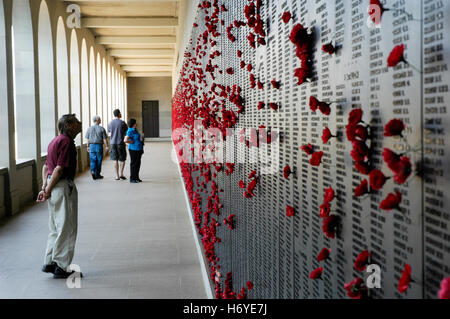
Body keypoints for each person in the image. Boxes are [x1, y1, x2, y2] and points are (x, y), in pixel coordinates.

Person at [37, 114, 83, 279]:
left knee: (55, 227)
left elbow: (45, 168)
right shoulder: (66, 142)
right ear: (69, 125)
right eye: (77, 122)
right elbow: (59, 169)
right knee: (67, 227)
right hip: (62, 186)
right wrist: (48, 190)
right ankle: (62, 266)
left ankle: (49, 261)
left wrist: (45, 187)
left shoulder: (54, 141)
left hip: (53, 185)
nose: (80, 124)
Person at [85, 115, 109, 180]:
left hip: (91, 146)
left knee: (92, 160)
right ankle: (97, 174)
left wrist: (87, 146)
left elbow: (87, 139)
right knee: (99, 160)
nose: (100, 120)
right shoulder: (102, 129)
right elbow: (104, 139)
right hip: (99, 146)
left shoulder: (89, 129)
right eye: (100, 119)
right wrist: (107, 146)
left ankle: (93, 171)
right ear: (97, 120)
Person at [108, 109, 128, 180]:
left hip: (113, 143)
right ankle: (121, 174)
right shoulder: (122, 123)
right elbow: (126, 132)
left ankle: (117, 176)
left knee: (115, 159)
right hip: (120, 143)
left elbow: (109, 131)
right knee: (122, 159)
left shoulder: (110, 123)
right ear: (119, 114)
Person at [124, 118, 144, 183]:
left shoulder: (135, 129)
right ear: (133, 124)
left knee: (138, 163)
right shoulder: (130, 131)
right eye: (135, 123)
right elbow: (125, 140)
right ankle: (132, 178)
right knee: (133, 164)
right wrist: (131, 141)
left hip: (139, 149)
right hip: (133, 150)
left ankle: (136, 177)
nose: (136, 124)